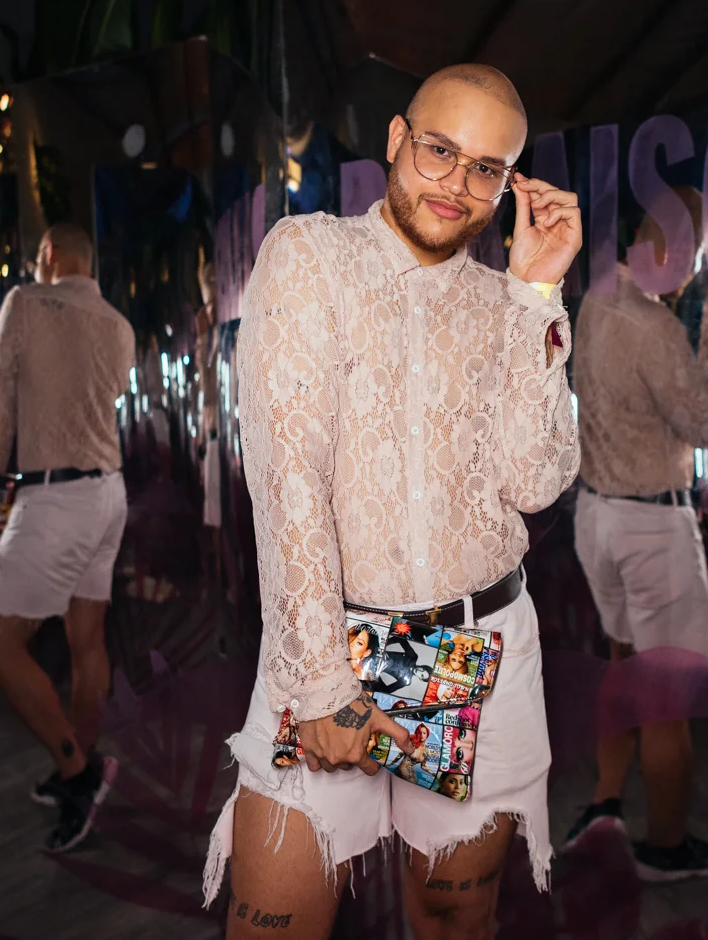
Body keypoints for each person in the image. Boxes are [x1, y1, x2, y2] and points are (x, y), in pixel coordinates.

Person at [204, 64, 581, 940]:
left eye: (486, 168)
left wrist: (537, 293)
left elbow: (536, 479)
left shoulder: (506, 302)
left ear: (509, 184)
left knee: (454, 921)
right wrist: (324, 688)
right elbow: (288, 479)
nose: (456, 183)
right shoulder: (311, 254)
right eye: (439, 150)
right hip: (329, 645)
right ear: (396, 140)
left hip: (474, 644)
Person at [564, 186, 708, 881]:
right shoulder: (653, 325)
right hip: (650, 526)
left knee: (622, 666)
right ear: (678, 250)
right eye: (699, 258)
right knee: (667, 699)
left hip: (596, 516)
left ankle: (604, 804)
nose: (698, 276)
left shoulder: (595, 300)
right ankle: (667, 848)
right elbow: (701, 423)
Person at [0, 222, 136, 854]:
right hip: (108, 492)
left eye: (38, 256)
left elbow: (0, 399)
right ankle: (84, 759)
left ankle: (77, 774)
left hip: (55, 497)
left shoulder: (26, 302)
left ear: (50, 254)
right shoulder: (119, 325)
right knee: (87, 640)